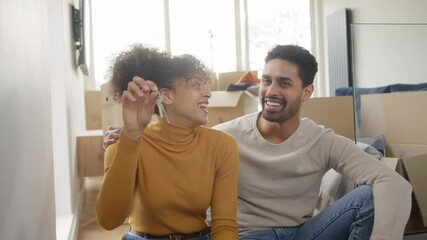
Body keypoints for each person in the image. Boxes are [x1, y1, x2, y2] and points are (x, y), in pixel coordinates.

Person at [103, 44, 412, 240]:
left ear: (307, 92)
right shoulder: (224, 137)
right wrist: (131, 136)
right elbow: (174, 143)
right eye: (266, 80)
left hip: (303, 234)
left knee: (369, 197)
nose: (271, 90)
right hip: (249, 236)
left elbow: (394, 184)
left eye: (285, 83)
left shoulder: (320, 139)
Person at [96, 44, 239, 240]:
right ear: (166, 95)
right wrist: (131, 136)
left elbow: (224, 225)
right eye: (196, 84)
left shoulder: (222, 145)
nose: (207, 93)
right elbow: (108, 220)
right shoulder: (123, 143)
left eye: (205, 85)